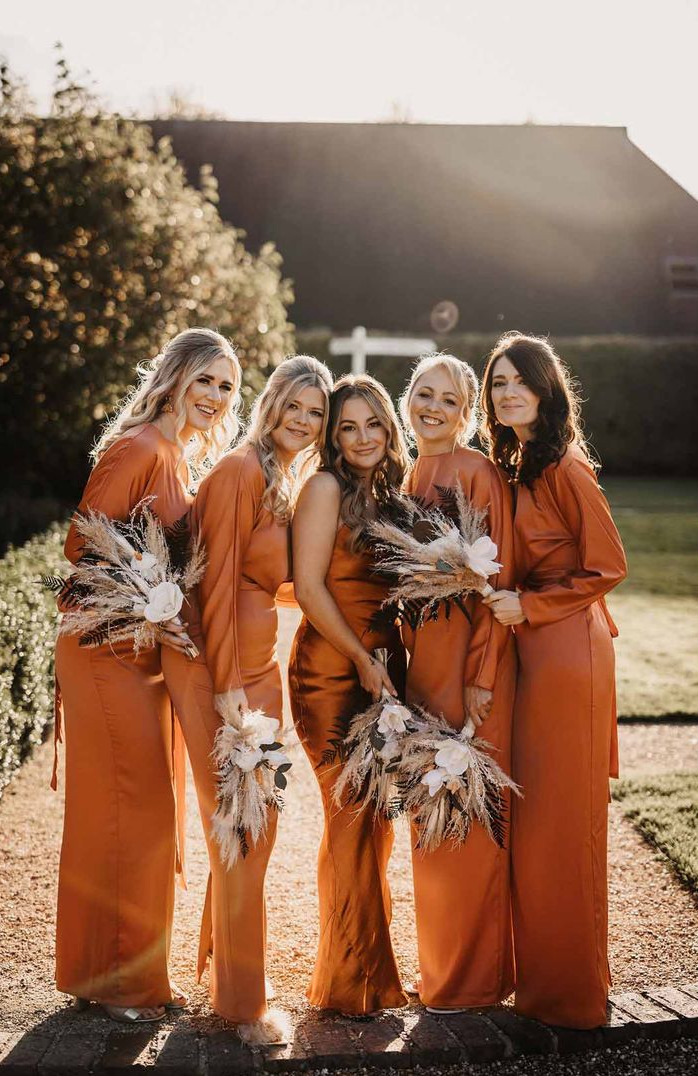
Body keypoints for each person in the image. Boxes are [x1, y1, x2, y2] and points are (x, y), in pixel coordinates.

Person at [55, 327, 242, 1024]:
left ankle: (103, 974)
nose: (217, 397)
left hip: (143, 655)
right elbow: (83, 545)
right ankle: (117, 982)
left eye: (227, 386)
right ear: (175, 376)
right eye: (207, 380)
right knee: (133, 812)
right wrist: (144, 604)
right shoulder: (137, 448)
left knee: (134, 812)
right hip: (104, 651)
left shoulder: (175, 457)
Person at [481, 331, 627, 1029]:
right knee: (536, 822)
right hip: (535, 649)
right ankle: (540, 981)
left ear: (546, 390)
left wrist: (530, 607)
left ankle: (570, 998)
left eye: (520, 382)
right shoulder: (514, 461)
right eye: (498, 382)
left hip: (568, 650)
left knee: (563, 824)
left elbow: (608, 567)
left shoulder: (567, 465)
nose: (507, 392)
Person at [191, 354, 332, 1043]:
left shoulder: (279, 477)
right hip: (231, 682)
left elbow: (264, 579)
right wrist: (223, 687)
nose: (303, 422)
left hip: (260, 670)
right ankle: (244, 1007)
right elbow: (213, 585)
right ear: (271, 401)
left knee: (257, 825)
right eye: (295, 406)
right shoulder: (241, 471)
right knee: (247, 830)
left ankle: (223, 970)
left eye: (316, 413)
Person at [397, 353, 516, 1012]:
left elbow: (498, 583)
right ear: (407, 398)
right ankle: (442, 969)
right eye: (423, 393)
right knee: (431, 815)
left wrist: (480, 678)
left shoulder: (477, 473)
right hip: (424, 672)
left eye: (448, 399)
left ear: (467, 413)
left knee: (468, 819)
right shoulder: (414, 472)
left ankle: (472, 982)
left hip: (472, 670)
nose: (433, 407)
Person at [289, 373, 410, 1016]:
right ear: (333, 437)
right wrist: (362, 658)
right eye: (347, 426)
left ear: (389, 429)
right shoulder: (324, 488)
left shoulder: (388, 493)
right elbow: (309, 589)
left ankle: (353, 963)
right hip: (331, 673)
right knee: (350, 819)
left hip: (384, 673)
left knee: (375, 823)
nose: (362, 437)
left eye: (373, 424)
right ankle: (356, 983)